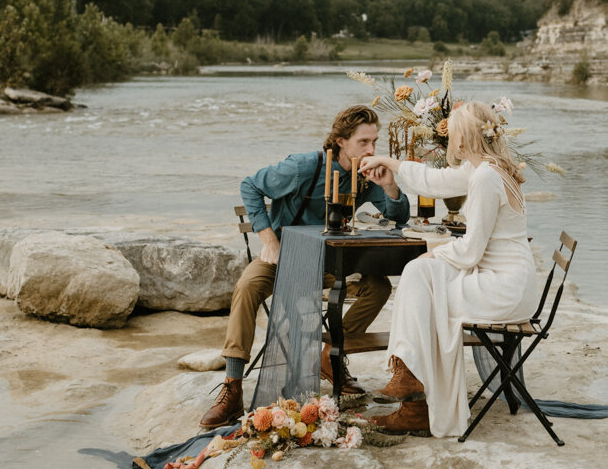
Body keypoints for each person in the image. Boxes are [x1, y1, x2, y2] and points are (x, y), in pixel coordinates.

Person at [200, 104, 411, 429]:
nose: (371, 150)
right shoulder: (304, 167)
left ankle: (330, 354)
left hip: (332, 265)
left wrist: (390, 187)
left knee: (379, 286)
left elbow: (398, 220)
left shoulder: (366, 175)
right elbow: (250, 185)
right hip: (286, 259)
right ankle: (232, 388)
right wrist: (269, 240)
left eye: (375, 142)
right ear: (341, 140)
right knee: (247, 286)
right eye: (364, 142)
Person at [358, 101, 539, 437]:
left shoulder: (486, 177)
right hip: (503, 280)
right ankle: (407, 376)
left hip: (505, 288)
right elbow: (434, 181)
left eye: (452, 133)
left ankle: (415, 400)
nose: (449, 140)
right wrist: (387, 162)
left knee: (426, 291)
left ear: (462, 140)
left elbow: (471, 251)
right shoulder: (485, 169)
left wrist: (436, 254)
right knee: (417, 274)